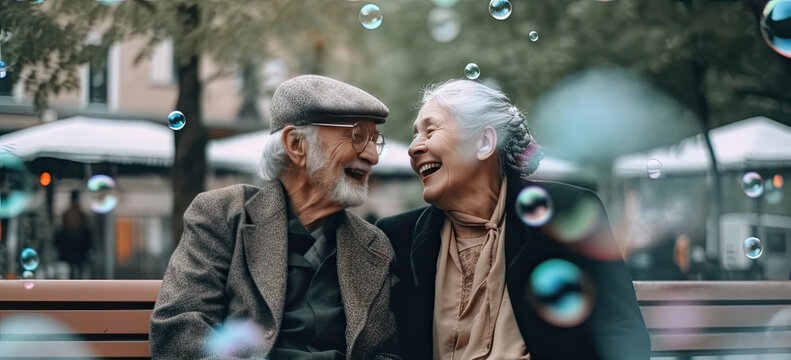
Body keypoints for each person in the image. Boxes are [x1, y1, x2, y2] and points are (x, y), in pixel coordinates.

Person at [376, 79, 650, 360]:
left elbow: (619, 328)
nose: (413, 148)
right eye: (415, 135)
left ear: (484, 142)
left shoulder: (565, 211)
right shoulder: (397, 236)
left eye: (430, 131)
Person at [150, 75, 399, 359]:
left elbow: (385, 353)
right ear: (296, 144)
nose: (372, 156)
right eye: (356, 136)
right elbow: (179, 331)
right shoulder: (222, 215)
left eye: (374, 140)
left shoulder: (373, 245)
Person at [55, 189, 92, 279]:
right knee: (77, 267)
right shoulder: (78, 214)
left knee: (74, 267)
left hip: (72, 245)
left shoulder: (68, 213)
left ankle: (75, 281)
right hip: (76, 245)